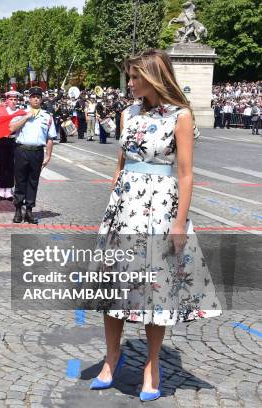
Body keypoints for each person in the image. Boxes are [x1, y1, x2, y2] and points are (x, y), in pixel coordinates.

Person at [91, 49, 221, 402]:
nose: (130, 84)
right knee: (114, 286)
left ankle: (152, 365)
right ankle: (112, 356)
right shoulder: (127, 114)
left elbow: (186, 173)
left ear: (154, 76)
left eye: (135, 77)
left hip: (160, 209)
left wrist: (179, 222)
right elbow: (121, 163)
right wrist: (113, 202)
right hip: (124, 207)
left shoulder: (180, 116)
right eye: (129, 77)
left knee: (156, 288)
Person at [9, 86, 56, 224]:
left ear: (41, 99)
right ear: (29, 98)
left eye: (38, 96)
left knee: (33, 182)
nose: (36, 98)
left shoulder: (47, 116)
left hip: (37, 152)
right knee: (20, 181)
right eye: (33, 96)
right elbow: (12, 128)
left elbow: (50, 138)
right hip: (21, 150)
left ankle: (29, 211)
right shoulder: (20, 113)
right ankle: (18, 210)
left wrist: (48, 155)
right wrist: (25, 117)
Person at [0, 90, 19, 201]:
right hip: (2, 139)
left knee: (11, 165)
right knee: (1, 164)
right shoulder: (2, 111)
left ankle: (8, 191)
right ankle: (0, 191)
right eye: (11, 99)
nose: (13, 101)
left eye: (15, 99)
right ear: (7, 100)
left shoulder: (20, 112)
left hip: (13, 140)